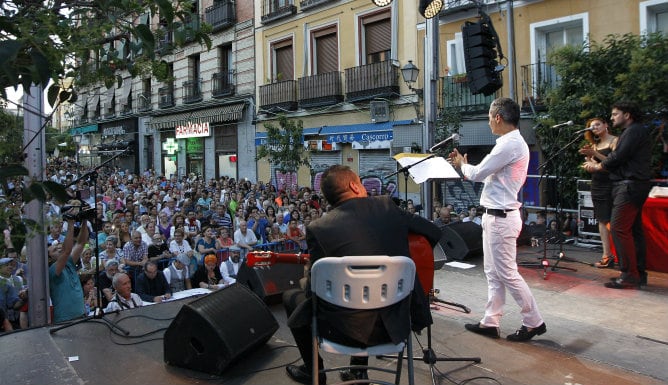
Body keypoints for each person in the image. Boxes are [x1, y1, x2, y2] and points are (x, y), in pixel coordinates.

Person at [283, 165, 441, 384]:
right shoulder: (387, 207)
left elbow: (313, 292)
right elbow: (434, 231)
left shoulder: (318, 228)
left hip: (340, 331)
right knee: (368, 295)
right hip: (396, 324)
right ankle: (358, 369)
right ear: (354, 186)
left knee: (291, 297)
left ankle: (314, 371)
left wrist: (308, 277)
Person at [449, 97, 546, 342]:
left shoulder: (508, 144)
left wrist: (463, 165)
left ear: (498, 117)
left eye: (490, 117)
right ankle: (491, 321)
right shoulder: (511, 142)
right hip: (497, 216)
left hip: (501, 218)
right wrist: (468, 168)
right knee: (493, 272)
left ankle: (534, 321)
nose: (489, 121)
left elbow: (479, 173)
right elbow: (487, 174)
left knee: (507, 273)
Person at [583, 101, 652, 289]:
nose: (612, 117)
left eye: (615, 114)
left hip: (630, 186)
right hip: (632, 185)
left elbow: (618, 157)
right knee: (633, 230)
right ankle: (637, 273)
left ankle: (629, 274)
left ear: (627, 115)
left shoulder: (633, 131)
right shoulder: (634, 131)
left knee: (619, 228)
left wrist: (597, 165)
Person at [579, 117, 618, 268]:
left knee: (615, 220)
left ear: (606, 125)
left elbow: (613, 163)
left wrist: (595, 158)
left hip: (613, 183)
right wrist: (589, 162)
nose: (594, 127)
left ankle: (620, 254)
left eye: (597, 124)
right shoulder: (595, 145)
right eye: (591, 126)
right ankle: (606, 254)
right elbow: (594, 165)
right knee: (602, 219)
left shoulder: (615, 141)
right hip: (597, 184)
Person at [49, 213, 89, 323]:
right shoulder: (53, 269)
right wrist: (70, 224)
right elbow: (66, 251)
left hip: (81, 314)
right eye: (54, 250)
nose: (58, 247)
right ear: (49, 258)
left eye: (58, 246)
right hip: (65, 319)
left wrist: (84, 221)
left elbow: (81, 243)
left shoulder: (69, 262)